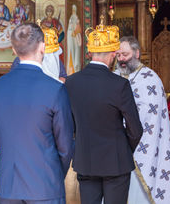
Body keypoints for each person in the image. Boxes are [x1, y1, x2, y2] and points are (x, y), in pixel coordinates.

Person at [0, 23, 74, 204]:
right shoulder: (55, 90)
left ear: (13, 49)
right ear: (42, 47)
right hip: (45, 185)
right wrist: (54, 174)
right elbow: (65, 146)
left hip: (9, 186)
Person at [65, 24, 143, 204]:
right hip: (116, 161)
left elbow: (69, 124)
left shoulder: (71, 83)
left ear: (90, 53)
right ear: (112, 55)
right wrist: (123, 147)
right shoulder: (119, 84)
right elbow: (135, 129)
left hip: (86, 160)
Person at [115, 36, 170, 204]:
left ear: (137, 53)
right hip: (117, 149)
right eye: (118, 55)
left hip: (144, 147)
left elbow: (150, 118)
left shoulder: (150, 79)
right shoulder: (114, 76)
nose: (121, 59)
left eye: (125, 54)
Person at [66, 4, 82, 75]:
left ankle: (76, 69)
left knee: (75, 53)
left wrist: (75, 32)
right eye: (72, 10)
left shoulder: (76, 18)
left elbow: (78, 29)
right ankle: (70, 69)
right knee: (70, 51)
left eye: (74, 10)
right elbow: (70, 29)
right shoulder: (71, 18)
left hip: (75, 37)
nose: (73, 11)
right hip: (70, 36)